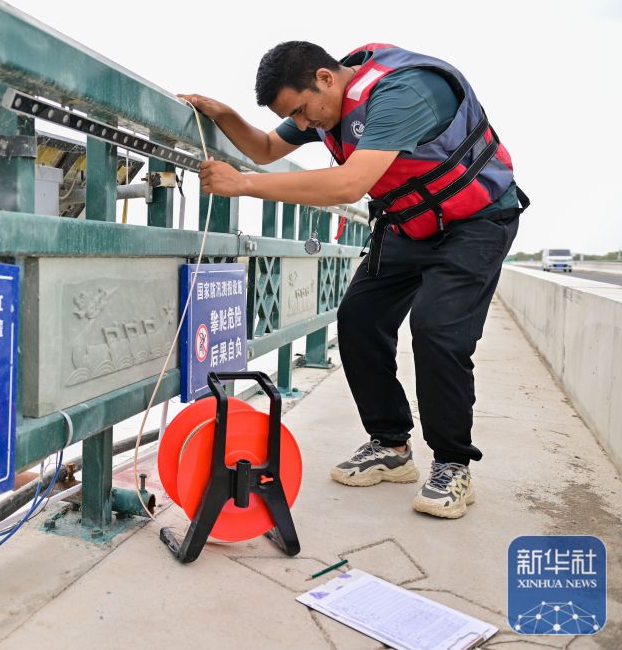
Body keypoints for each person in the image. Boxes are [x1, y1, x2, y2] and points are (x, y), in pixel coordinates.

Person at [180, 41, 527, 519]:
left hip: (475, 222)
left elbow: (348, 184)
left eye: (300, 111)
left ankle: (452, 464)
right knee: (360, 320)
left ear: (325, 78)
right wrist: (223, 114)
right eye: (292, 117)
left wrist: (243, 184)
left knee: (436, 331)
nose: (302, 125)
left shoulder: (403, 93)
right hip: (409, 224)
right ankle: (391, 446)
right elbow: (265, 147)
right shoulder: (325, 103)